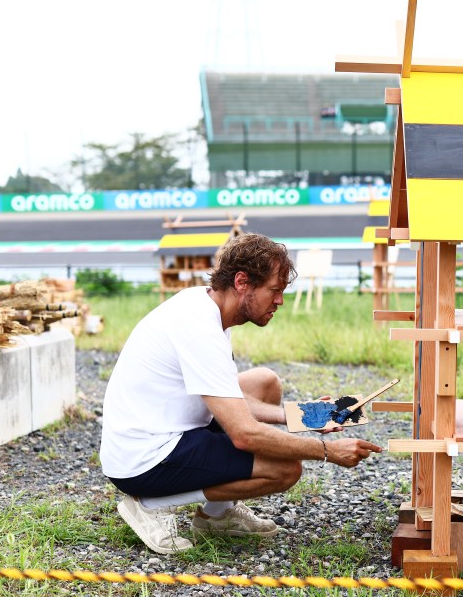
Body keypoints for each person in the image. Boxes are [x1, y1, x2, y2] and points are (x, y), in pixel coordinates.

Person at [100, 233, 382, 554]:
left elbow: (230, 399)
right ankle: (150, 504)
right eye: (274, 291)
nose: (280, 301)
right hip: (144, 459)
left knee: (264, 381)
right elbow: (244, 434)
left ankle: (215, 516)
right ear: (242, 282)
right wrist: (327, 451)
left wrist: (304, 415)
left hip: (163, 428)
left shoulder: (207, 304)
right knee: (285, 469)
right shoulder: (199, 330)